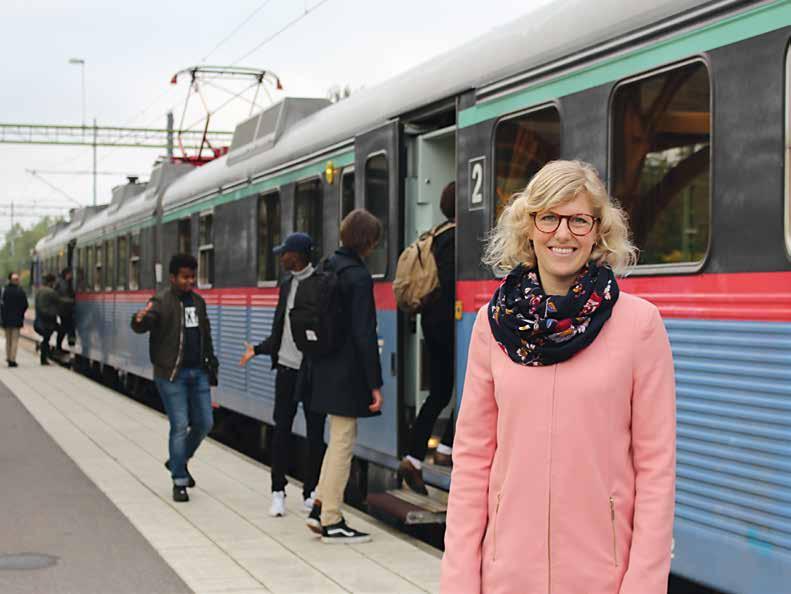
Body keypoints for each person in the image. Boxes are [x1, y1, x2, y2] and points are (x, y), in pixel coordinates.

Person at [441, 160, 676, 594]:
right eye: (548, 217)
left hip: (603, 578)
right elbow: (473, 461)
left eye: (578, 220)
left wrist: (644, 584)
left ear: (598, 230)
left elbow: (656, 469)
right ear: (528, 226)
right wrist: (459, 580)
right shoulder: (492, 325)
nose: (563, 233)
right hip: (507, 577)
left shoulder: (640, 325)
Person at [305, 208, 384, 544]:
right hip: (347, 372)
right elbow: (365, 334)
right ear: (368, 241)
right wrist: (375, 384)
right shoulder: (358, 276)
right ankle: (332, 519)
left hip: (322, 367)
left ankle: (319, 504)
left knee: (334, 439)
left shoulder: (328, 266)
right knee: (342, 442)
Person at [239, 232, 326, 517]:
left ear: (298, 255)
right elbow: (280, 331)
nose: (280, 257)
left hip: (312, 371)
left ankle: (311, 491)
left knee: (315, 434)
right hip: (286, 370)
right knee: (281, 432)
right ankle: (278, 491)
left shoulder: (321, 284)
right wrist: (259, 349)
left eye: (284, 253)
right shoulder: (286, 285)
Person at [131, 254, 219, 503]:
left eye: (192, 276)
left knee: (204, 423)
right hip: (171, 374)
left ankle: (176, 461)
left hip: (198, 372)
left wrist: (211, 363)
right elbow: (144, 321)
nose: (190, 281)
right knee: (179, 425)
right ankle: (179, 480)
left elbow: (205, 335)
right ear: (172, 278)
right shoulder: (161, 301)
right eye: (184, 277)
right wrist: (139, 320)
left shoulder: (199, 303)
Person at [399, 181, 456, 495]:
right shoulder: (455, 238)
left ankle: (413, 458)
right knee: (471, 387)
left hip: (431, 322)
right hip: (448, 323)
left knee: (439, 392)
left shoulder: (435, 235)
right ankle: (447, 448)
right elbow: (449, 284)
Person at [1, 272, 28, 367]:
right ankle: (12, 359)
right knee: (15, 340)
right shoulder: (20, 291)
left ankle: (8, 357)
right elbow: (25, 305)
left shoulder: (5, 291)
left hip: (6, 320)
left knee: (8, 340)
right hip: (17, 319)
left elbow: (2, 306)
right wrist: (21, 314)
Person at [34, 273, 60, 366]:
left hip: (40, 320)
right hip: (48, 321)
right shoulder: (51, 292)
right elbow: (59, 302)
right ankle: (46, 356)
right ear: (52, 282)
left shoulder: (39, 290)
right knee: (48, 338)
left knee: (46, 339)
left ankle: (45, 356)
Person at [55, 267, 76, 351]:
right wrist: (70, 301)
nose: (71, 276)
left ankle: (68, 341)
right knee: (66, 326)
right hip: (63, 309)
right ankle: (61, 344)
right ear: (66, 274)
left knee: (67, 326)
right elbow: (59, 296)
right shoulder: (61, 283)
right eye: (69, 274)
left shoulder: (65, 282)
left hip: (66, 309)